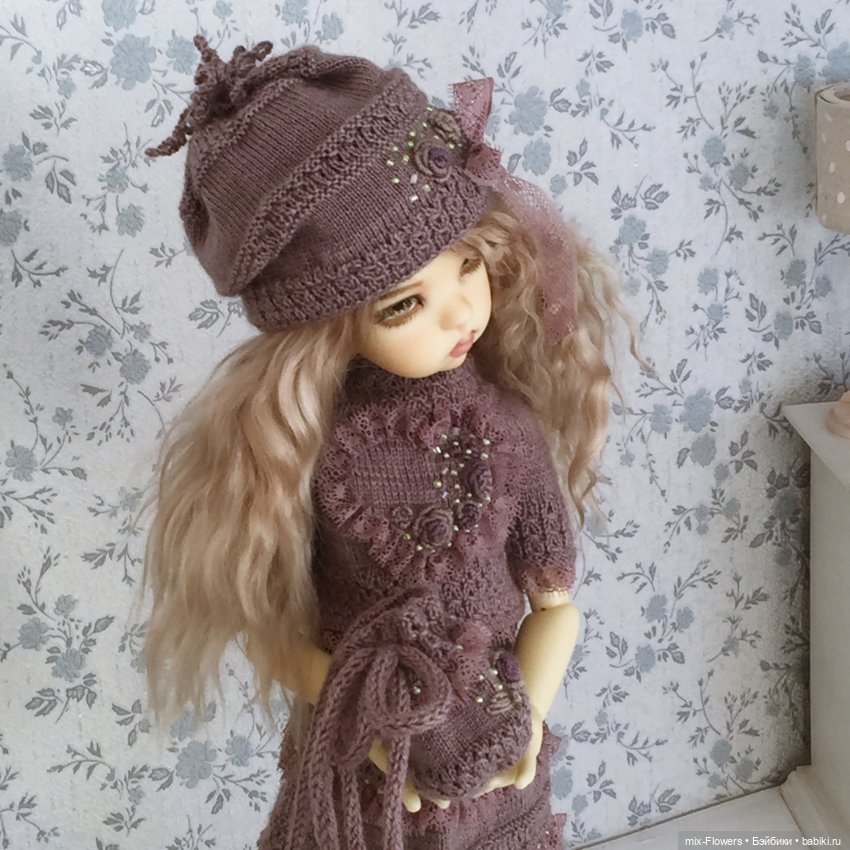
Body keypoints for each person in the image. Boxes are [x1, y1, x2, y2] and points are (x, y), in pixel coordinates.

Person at [140, 35, 650, 850]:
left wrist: (523, 720)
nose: (460, 313)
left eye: (469, 265)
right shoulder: (300, 451)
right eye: (403, 305)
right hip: (361, 782)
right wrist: (369, 725)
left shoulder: (510, 428)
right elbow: (274, 635)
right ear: (326, 328)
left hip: (499, 766)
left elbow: (555, 607)